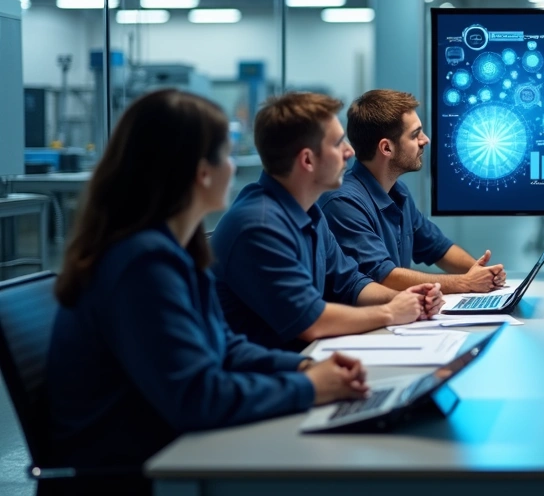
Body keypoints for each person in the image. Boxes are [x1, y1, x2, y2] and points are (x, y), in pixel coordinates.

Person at [46, 90, 369, 487]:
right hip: (138, 474)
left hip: (168, 450)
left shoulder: (168, 248)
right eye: (228, 155)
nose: (233, 169)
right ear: (202, 171)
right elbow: (199, 398)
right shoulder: (142, 263)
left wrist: (303, 366)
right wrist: (308, 387)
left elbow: (224, 344)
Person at [211, 92, 443, 351]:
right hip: (263, 378)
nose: (350, 151)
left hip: (297, 364)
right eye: (337, 143)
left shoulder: (310, 213)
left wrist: (410, 299)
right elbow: (311, 320)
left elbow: (352, 283)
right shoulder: (259, 226)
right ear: (308, 160)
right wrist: (391, 312)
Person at [320, 89, 506, 294]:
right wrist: (465, 283)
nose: (425, 140)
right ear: (386, 148)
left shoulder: (398, 192)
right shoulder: (343, 203)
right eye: (415, 134)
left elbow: (439, 248)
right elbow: (384, 277)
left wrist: (481, 272)